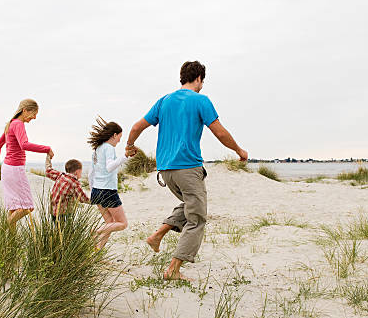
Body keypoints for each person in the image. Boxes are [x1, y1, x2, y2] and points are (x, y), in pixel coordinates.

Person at [125, 61, 248, 280]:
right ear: (199, 78)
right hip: (188, 167)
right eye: (202, 81)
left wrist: (129, 146)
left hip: (165, 170)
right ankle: (173, 269)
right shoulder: (201, 100)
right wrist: (239, 151)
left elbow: (136, 127)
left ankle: (157, 235)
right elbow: (219, 133)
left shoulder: (164, 101)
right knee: (197, 217)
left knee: (190, 205)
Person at [0, 99, 53, 229]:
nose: (35, 117)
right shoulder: (18, 124)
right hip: (15, 169)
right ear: (25, 110)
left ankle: (11, 244)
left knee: (14, 209)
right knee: (27, 207)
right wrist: (46, 149)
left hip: (7, 168)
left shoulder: (11, 124)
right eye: (33, 113)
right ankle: (2, 228)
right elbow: (24, 145)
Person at [87, 117, 135, 249]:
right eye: (119, 137)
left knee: (109, 223)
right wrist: (125, 157)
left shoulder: (97, 149)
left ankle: (97, 250)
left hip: (97, 190)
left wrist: (93, 191)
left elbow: (91, 172)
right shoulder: (108, 148)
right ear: (114, 135)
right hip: (107, 191)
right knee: (122, 223)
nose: (119, 140)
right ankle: (95, 231)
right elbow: (109, 167)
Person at [44, 155, 90, 222]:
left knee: (57, 230)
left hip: (53, 211)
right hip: (64, 213)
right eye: (81, 171)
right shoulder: (75, 183)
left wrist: (48, 158)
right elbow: (83, 198)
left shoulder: (60, 175)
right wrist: (96, 200)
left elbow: (48, 171)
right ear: (77, 172)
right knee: (67, 230)